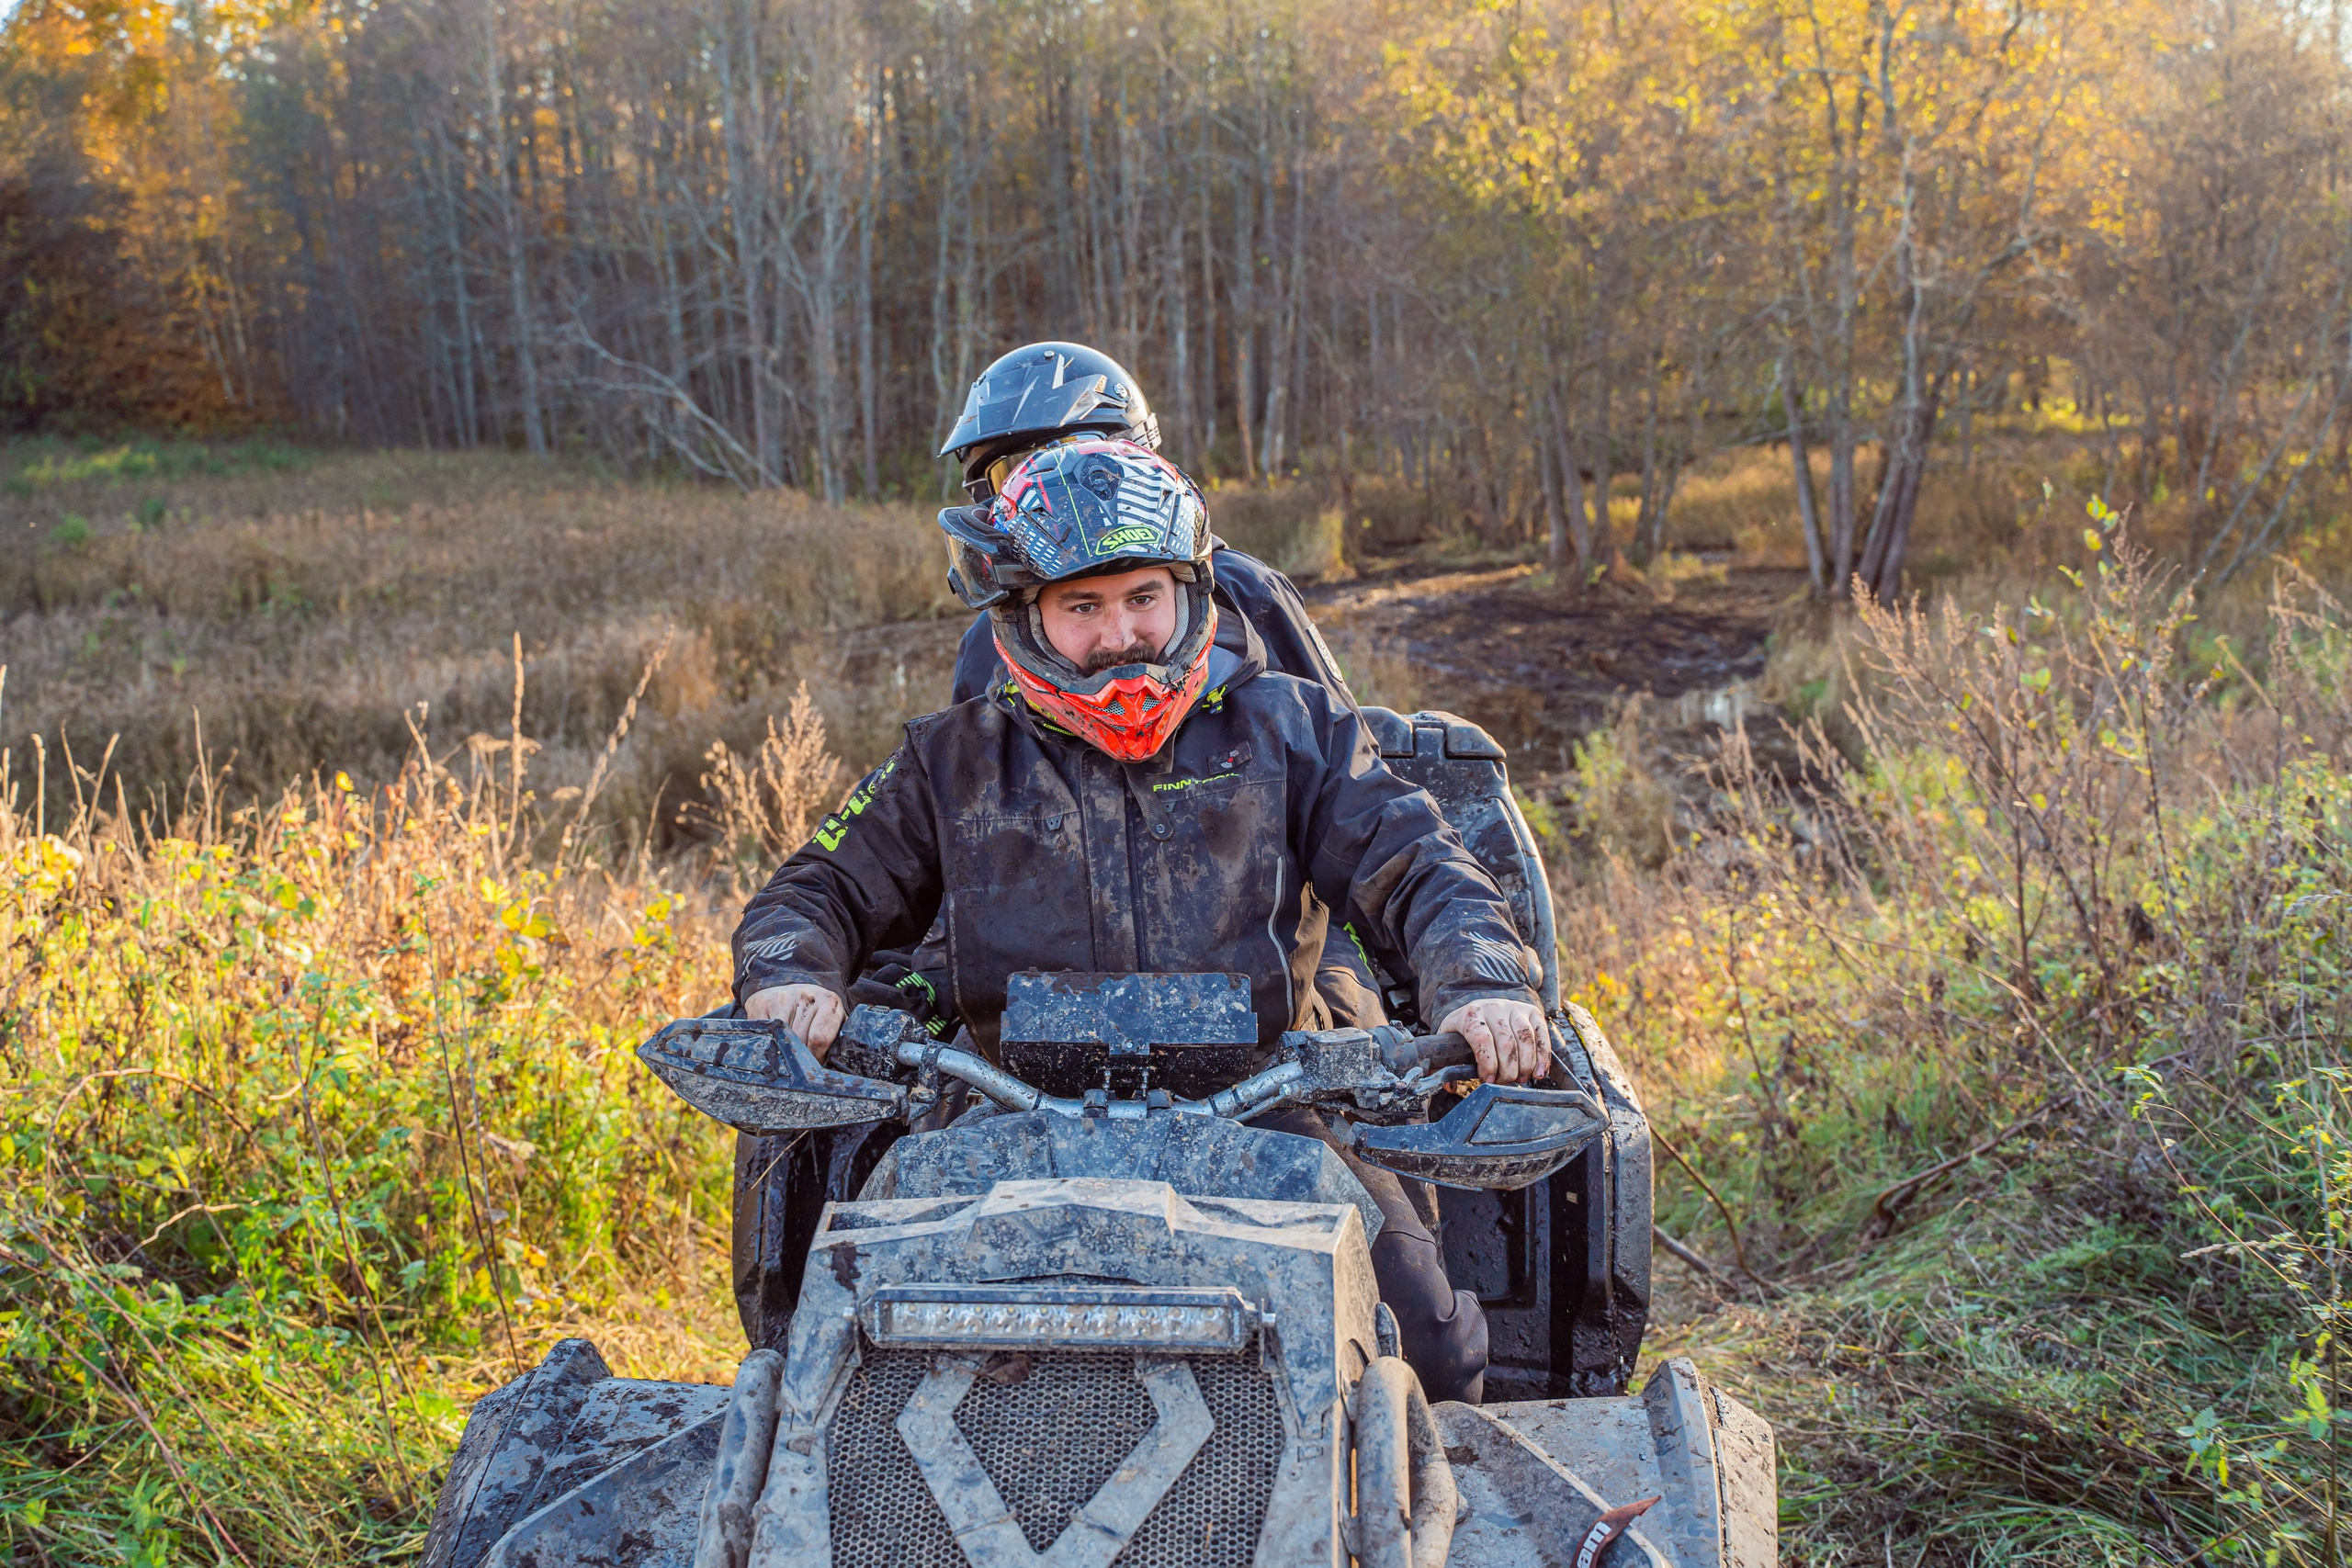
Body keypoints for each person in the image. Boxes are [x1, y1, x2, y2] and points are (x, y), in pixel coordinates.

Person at [730, 435, 1553, 1404]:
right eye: (1082, 606)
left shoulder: (1295, 729)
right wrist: (790, 975)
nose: (1120, 633)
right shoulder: (949, 762)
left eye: (1142, 598)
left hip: (1263, 1103)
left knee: (1432, 1352)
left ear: (1189, 594)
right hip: (1003, 1106)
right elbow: (812, 890)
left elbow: (1419, 865)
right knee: (851, 1355)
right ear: (1023, 614)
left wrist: (1485, 981)